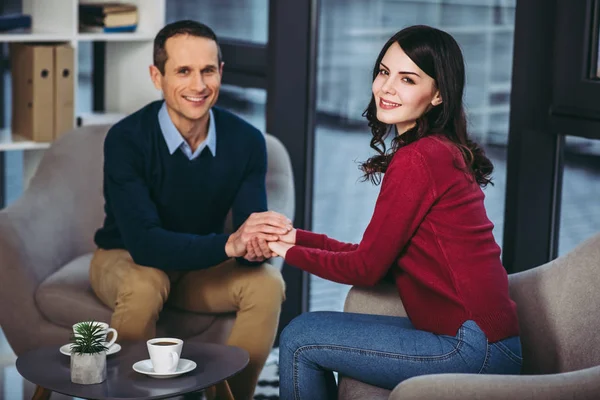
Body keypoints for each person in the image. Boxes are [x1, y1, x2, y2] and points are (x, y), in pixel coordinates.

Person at [269, 25, 522, 399]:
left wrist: (284, 251)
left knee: (299, 338)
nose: (387, 88)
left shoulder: (419, 158)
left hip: (473, 347)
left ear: (437, 95)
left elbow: (366, 269)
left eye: (407, 79)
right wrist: (296, 239)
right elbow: (375, 255)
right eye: (384, 72)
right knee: (306, 335)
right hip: (481, 340)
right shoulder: (437, 149)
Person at [90, 20, 289, 400]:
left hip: (198, 267)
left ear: (221, 73)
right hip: (125, 256)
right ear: (156, 76)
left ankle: (232, 396)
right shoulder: (126, 139)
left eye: (208, 71)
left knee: (267, 284)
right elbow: (146, 245)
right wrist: (231, 245)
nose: (198, 86)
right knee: (145, 283)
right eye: (183, 71)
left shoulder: (247, 141)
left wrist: (259, 243)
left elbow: (247, 248)